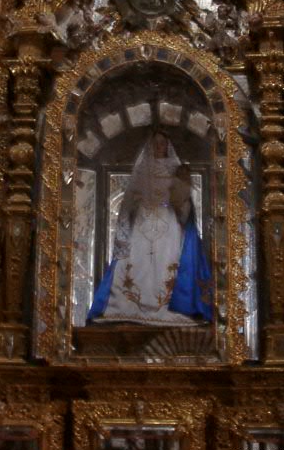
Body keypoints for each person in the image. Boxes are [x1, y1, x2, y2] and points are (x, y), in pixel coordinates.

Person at [87, 132, 212, 324]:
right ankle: (131, 308)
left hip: (169, 224)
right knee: (138, 264)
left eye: (163, 144)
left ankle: (170, 308)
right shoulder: (142, 171)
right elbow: (128, 203)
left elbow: (183, 204)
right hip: (142, 225)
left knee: (167, 262)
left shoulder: (176, 171)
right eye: (156, 144)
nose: (159, 147)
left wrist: (182, 194)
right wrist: (124, 232)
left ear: (168, 146)